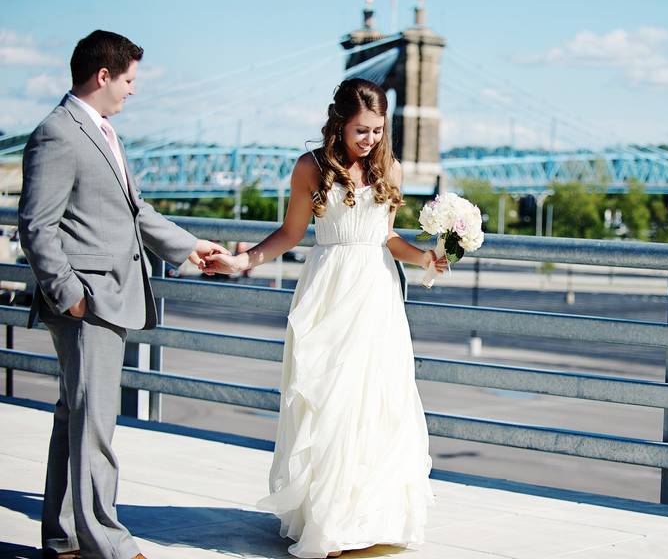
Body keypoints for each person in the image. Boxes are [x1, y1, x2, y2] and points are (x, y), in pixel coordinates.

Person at [202, 78, 446, 558]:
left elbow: (386, 237)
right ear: (340, 123)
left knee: (376, 402)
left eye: (377, 130)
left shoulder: (389, 168)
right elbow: (291, 233)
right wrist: (242, 261)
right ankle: (330, 520)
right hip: (329, 290)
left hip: (377, 293)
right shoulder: (310, 168)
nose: (370, 140)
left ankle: (371, 518)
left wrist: (423, 259)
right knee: (328, 401)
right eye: (361, 130)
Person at [17, 30, 228, 559]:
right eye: (129, 79)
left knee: (76, 416)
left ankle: (63, 536)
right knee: (97, 425)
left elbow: (134, 213)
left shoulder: (103, 131)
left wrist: (188, 247)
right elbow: (36, 226)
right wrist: (71, 295)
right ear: (103, 75)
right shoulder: (58, 133)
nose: (133, 91)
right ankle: (105, 543)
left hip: (106, 295)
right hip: (89, 300)